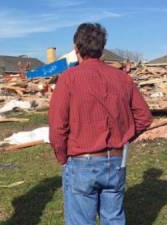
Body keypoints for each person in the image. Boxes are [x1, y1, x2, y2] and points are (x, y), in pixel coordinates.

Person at [48, 23, 152, 225]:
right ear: (102, 48)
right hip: (114, 161)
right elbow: (144, 117)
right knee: (113, 219)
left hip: (82, 161)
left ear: (76, 49)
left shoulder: (68, 78)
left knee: (81, 221)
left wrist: (62, 158)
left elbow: (57, 126)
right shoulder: (122, 78)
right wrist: (123, 138)